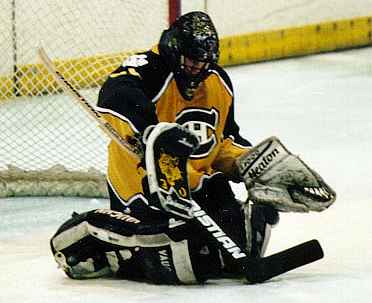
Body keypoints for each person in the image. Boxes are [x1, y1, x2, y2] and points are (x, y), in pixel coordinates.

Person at [50, 11, 335, 285]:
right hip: (147, 186)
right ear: (174, 51)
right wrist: (152, 131)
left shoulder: (217, 82)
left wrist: (248, 162)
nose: (197, 70)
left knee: (246, 235)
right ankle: (87, 232)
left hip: (201, 186)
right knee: (172, 251)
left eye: (203, 63)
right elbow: (117, 95)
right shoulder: (149, 67)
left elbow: (224, 139)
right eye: (190, 62)